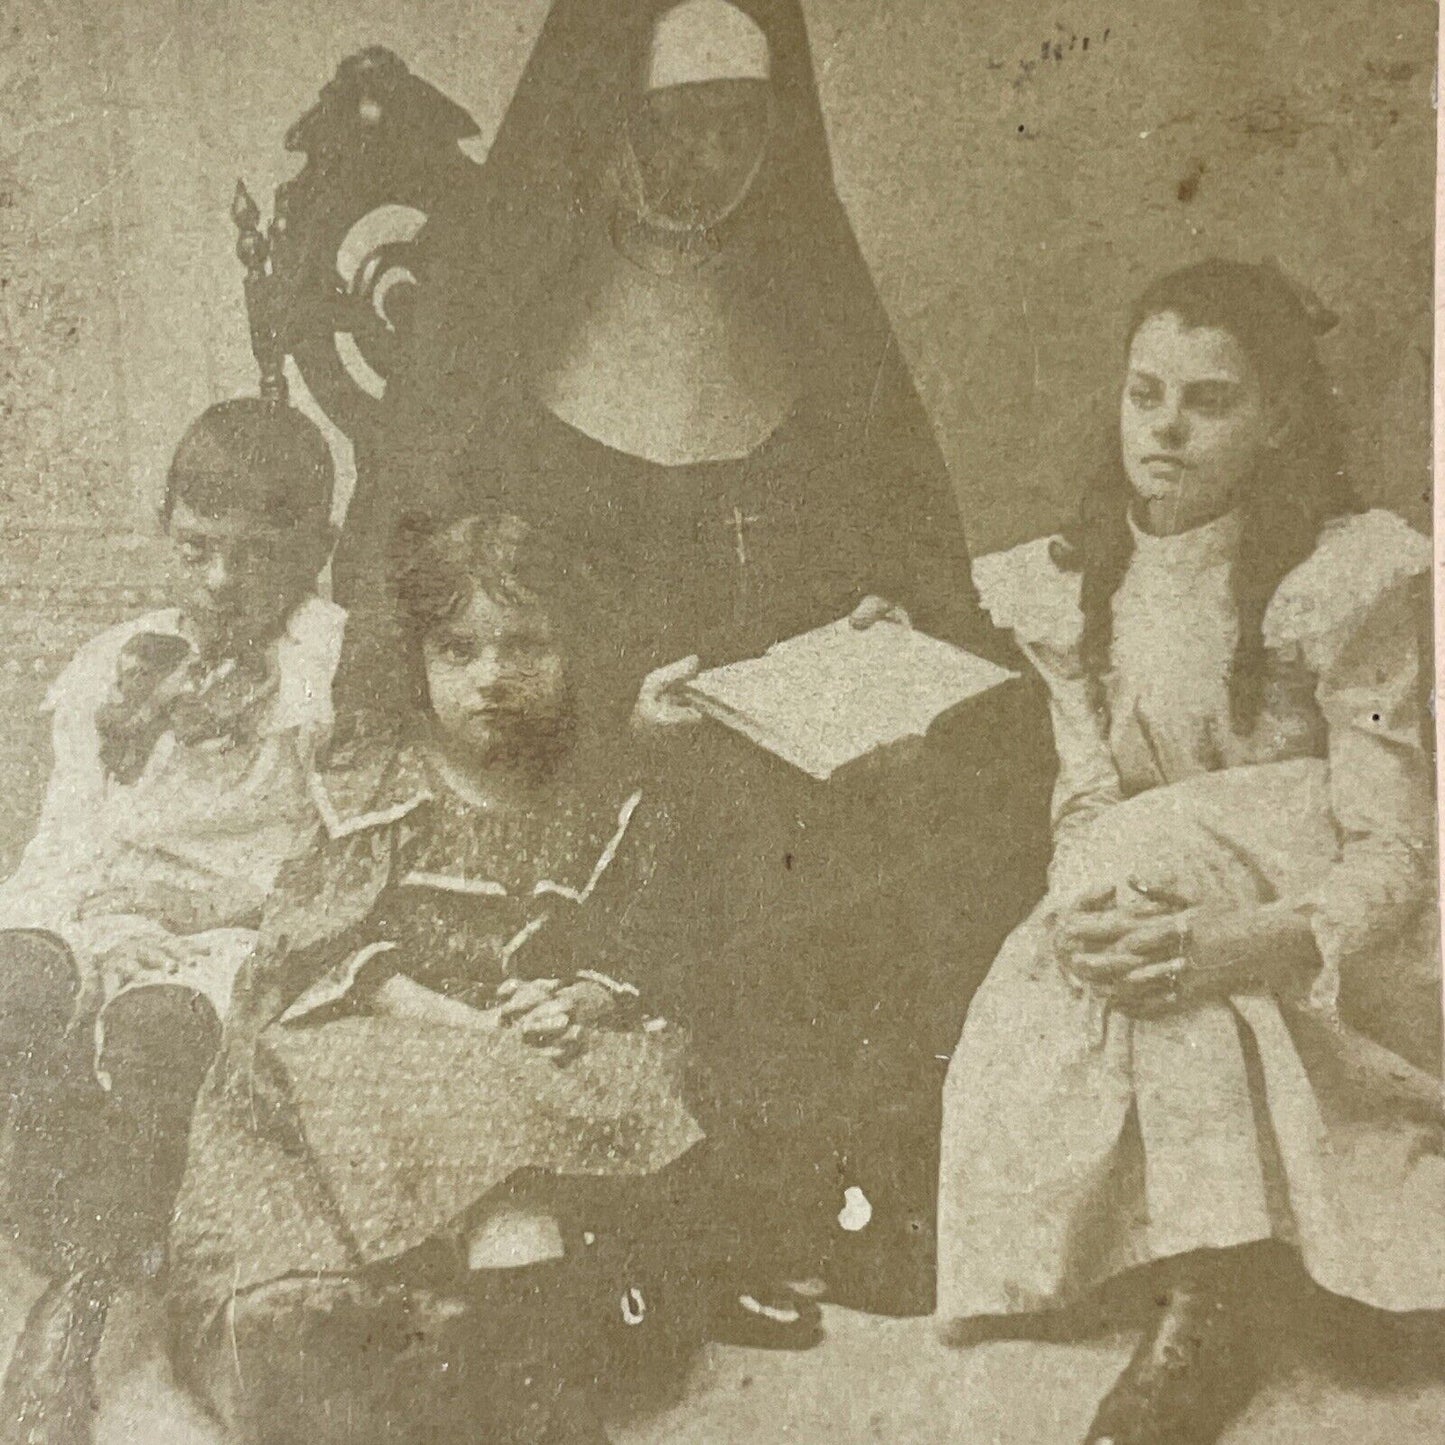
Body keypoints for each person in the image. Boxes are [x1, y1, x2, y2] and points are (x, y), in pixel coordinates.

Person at [336, 0, 1053, 1333]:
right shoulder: (513, 323)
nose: (714, 161)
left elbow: (889, 529)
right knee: (721, 826)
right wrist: (612, 701)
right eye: (681, 126)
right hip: (580, 717)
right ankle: (720, 1226)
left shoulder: (802, 294)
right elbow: (453, 592)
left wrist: (883, 619)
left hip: (790, 703)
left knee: (976, 766)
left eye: (743, 126)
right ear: (614, 122)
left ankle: (862, 1200)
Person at [934, 260, 1444, 1445]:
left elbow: (1391, 848)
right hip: (1161, 903)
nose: (1161, 428)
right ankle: (1221, 1277)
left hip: (1313, 929)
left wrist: (1242, 939)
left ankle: (1210, 1290)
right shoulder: (1071, 590)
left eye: (1207, 399)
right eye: (1142, 392)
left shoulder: (1336, 576)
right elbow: (1085, 806)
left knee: (1149, 849)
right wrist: (1090, 917)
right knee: (1113, 890)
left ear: (1274, 420)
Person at [167, 512, 703, 1445]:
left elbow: (624, 947)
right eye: (458, 650)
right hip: (368, 1047)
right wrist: (462, 1027)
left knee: (625, 1068)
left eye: (525, 646)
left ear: (575, 653)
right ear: (418, 658)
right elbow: (320, 960)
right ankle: (511, 1361)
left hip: (512, 1053)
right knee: (315, 1322)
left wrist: (578, 995)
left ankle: (523, 1354)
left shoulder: (597, 798)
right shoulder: (381, 782)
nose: (491, 676)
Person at [0, 398, 344, 1443]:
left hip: (231, 925)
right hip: (101, 894)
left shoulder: (329, 668)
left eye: (255, 555)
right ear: (165, 528)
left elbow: (336, 859)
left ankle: (75, 1304)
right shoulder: (119, 659)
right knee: (20, 975)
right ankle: (48, 1166)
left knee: (160, 1031)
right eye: (196, 548)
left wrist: (196, 913)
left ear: (316, 550)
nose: (220, 582)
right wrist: (91, 930)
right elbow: (63, 839)